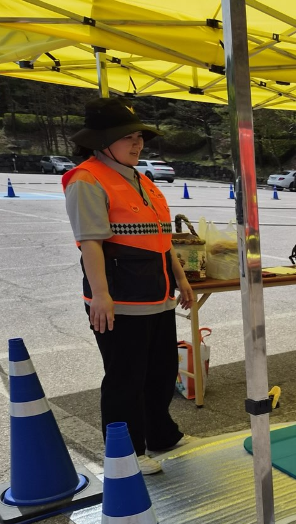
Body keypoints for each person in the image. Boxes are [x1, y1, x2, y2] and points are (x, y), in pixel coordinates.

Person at [63, 98, 195, 475]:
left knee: (161, 370)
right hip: (120, 297)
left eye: (139, 137)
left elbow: (162, 237)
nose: (137, 144)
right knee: (125, 377)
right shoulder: (86, 179)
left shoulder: (139, 177)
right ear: (102, 141)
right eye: (128, 138)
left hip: (157, 293)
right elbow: (90, 243)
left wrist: (181, 279)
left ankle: (161, 435)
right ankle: (125, 453)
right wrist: (101, 296)